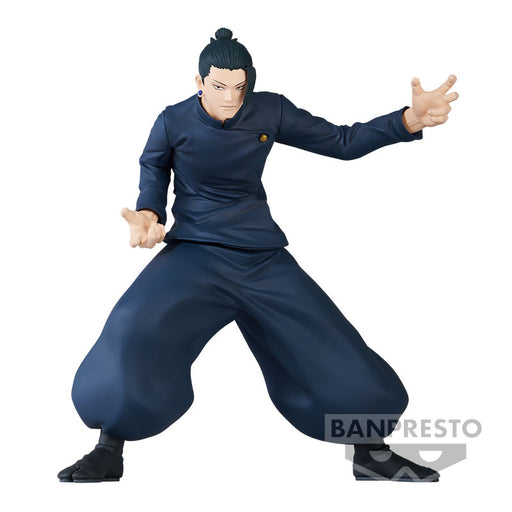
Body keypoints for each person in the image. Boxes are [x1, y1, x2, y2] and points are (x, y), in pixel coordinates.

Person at [58, 27, 458, 483]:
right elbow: (153, 172)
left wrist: (408, 120)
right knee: (134, 326)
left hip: (260, 255)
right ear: (199, 82)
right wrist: (148, 215)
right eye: (219, 86)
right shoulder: (172, 121)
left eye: (240, 86)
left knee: (332, 342)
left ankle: (372, 453)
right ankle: (109, 448)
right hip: (195, 254)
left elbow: (341, 142)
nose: (231, 97)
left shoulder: (270, 110)